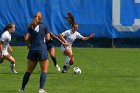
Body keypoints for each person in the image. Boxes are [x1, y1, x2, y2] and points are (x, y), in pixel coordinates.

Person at [19, 12, 50, 93]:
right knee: (44, 70)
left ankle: (21, 89)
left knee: (28, 71)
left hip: (32, 50)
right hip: (42, 49)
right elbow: (47, 38)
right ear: (41, 18)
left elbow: (26, 38)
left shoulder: (30, 26)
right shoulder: (45, 26)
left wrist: (28, 45)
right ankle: (41, 89)